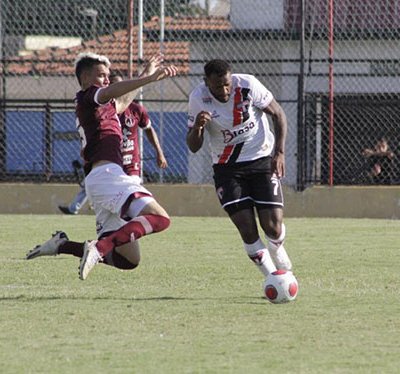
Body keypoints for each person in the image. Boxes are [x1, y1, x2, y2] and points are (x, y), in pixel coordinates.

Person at [26, 52, 178, 280]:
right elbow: (110, 92)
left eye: (108, 75)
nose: (107, 79)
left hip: (100, 180)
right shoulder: (88, 96)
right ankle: (99, 248)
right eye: (101, 75)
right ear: (86, 78)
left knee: (128, 260)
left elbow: (124, 100)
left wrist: (145, 73)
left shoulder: (101, 107)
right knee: (161, 219)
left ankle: (62, 245)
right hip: (108, 176)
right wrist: (150, 79)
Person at [186, 59, 293, 284]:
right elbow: (193, 147)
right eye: (217, 87)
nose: (224, 91)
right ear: (206, 83)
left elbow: (279, 114)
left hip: (262, 160)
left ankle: (277, 247)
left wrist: (280, 153)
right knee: (247, 228)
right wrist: (198, 126)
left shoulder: (248, 85)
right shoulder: (198, 99)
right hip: (227, 169)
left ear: (231, 78)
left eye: (227, 85)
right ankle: (274, 278)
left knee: (273, 227)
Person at [58, 72, 168, 215]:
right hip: (107, 164)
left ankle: (79, 210)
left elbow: (148, 128)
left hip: (130, 166)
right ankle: (76, 209)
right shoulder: (100, 110)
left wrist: (159, 152)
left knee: (136, 213)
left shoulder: (136, 109)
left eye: (119, 85)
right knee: (117, 215)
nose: (114, 87)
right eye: (112, 84)